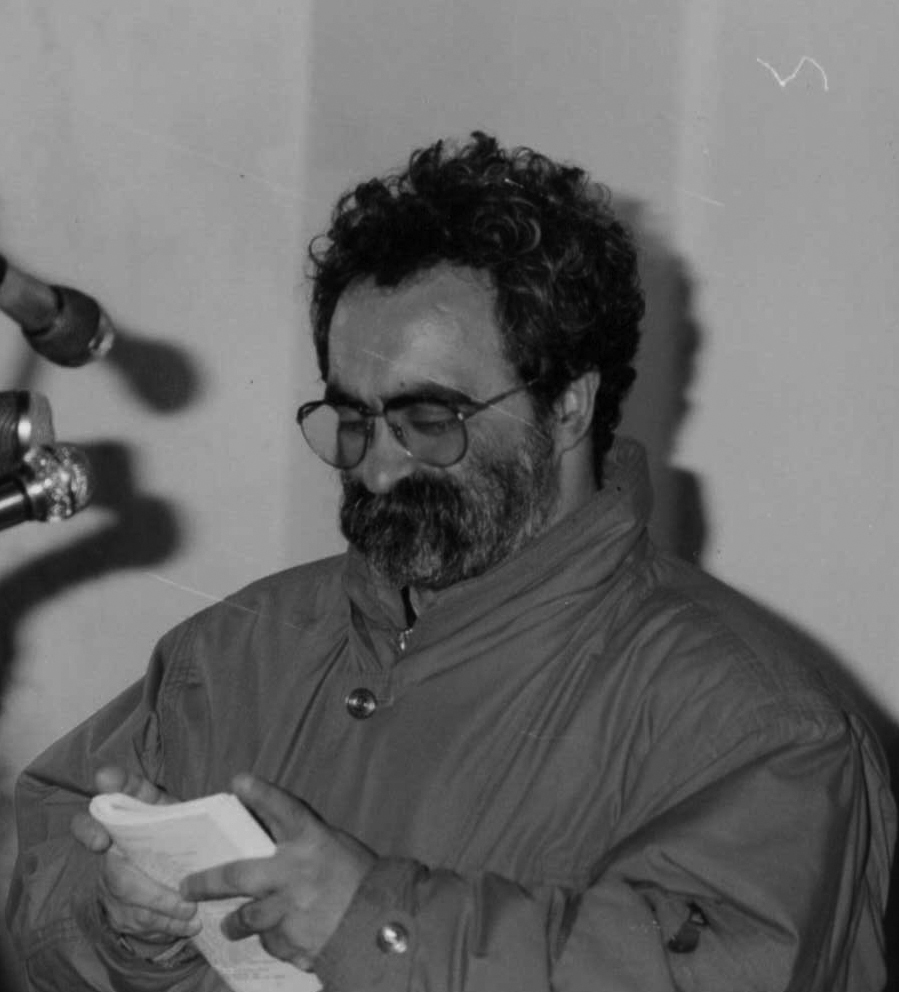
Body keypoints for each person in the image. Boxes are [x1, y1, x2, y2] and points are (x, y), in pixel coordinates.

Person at [6, 132, 895, 991]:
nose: (378, 469)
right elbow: (45, 871)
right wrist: (120, 919)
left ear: (569, 406)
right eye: (351, 420)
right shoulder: (235, 650)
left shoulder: (759, 725)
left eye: (429, 422)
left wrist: (378, 928)